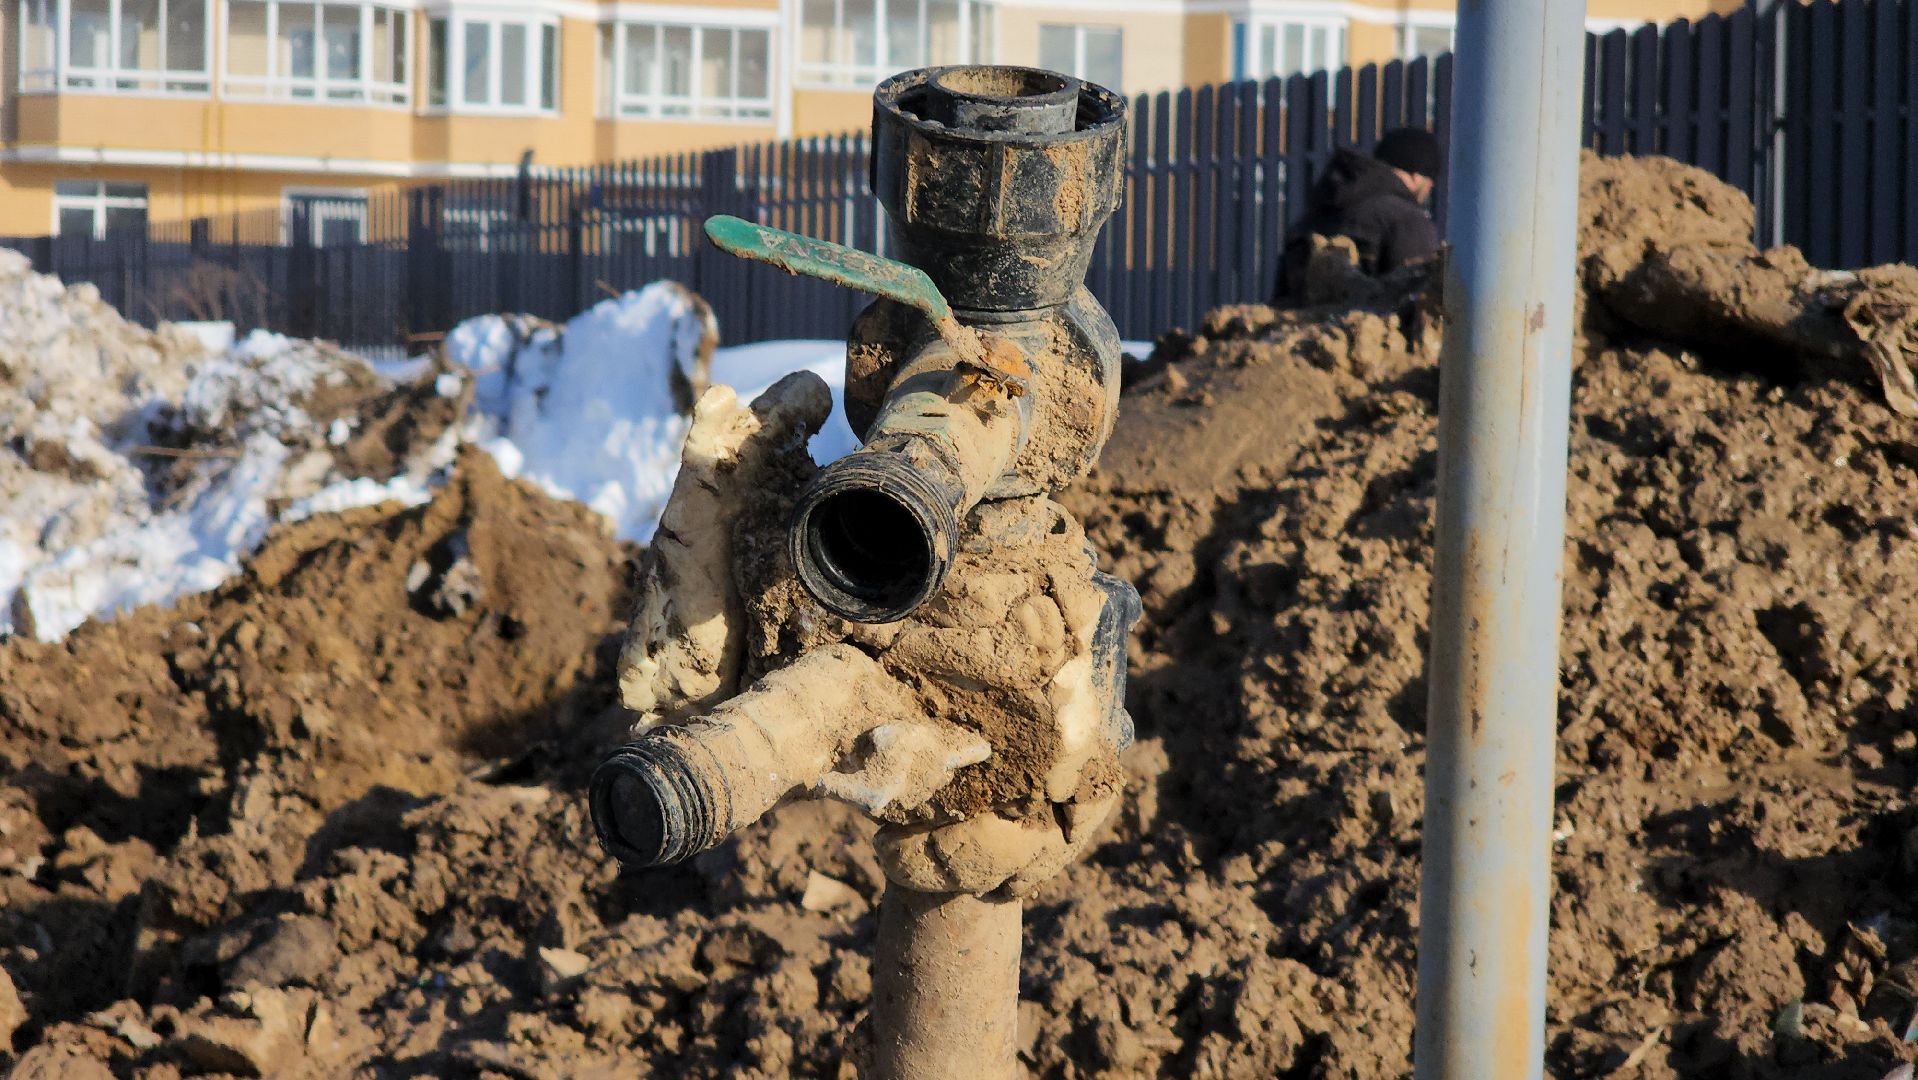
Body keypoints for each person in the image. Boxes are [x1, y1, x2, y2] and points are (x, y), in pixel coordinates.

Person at [1276, 126, 1443, 301]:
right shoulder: (1407, 220)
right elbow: (1419, 300)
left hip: (1300, 326)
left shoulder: (1318, 210)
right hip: (1364, 326)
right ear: (1417, 176)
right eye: (1430, 183)